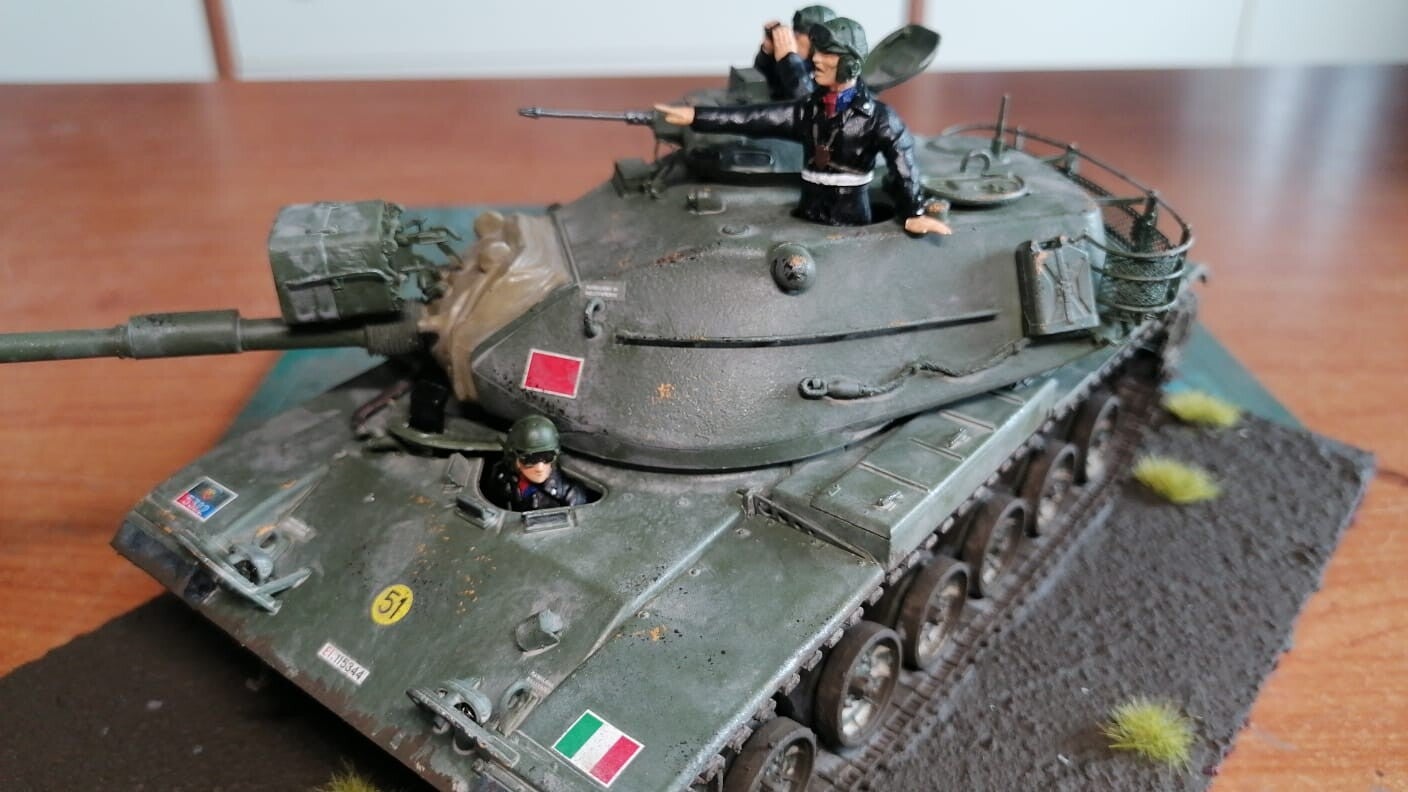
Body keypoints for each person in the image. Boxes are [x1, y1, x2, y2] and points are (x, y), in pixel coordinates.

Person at [659, 17, 951, 235]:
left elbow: (904, 167)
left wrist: (914, 212)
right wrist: (695, 116)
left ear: (851, 64)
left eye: (828, 54)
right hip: (808, 211)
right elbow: (753, 118)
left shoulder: (880, 118)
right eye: (818, 52)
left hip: (851, 218)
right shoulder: (809, 110)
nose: (817, 60)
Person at [487, 415, 591, 512]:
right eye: (529, 459)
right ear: (514, 458)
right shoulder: (503, 478)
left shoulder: (571, 494)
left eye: (548, 457)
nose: (540, 468)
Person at [754, 5, 835, 100]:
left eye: (800, 34)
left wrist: (788, 61)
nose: (794, 38)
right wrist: (767, 55)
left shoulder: (833, 70)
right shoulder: (802, 63)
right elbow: (767, 86)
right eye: (795, 32)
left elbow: (808, 100)